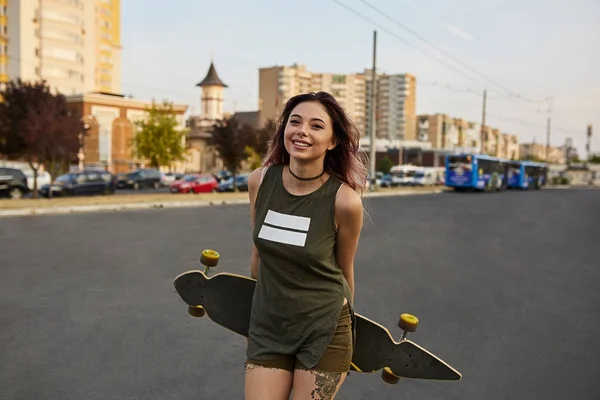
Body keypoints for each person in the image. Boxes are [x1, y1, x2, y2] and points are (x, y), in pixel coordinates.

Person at [244, 91, 367, 399]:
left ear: (333, 141)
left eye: (316, 126)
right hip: (269, 325)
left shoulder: (344, 201)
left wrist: (355, 328)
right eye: (294, 122)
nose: (302, 131)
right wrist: (252, 305)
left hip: (323, 329)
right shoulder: (260, 181)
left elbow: (344, 269)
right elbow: (260, 252)